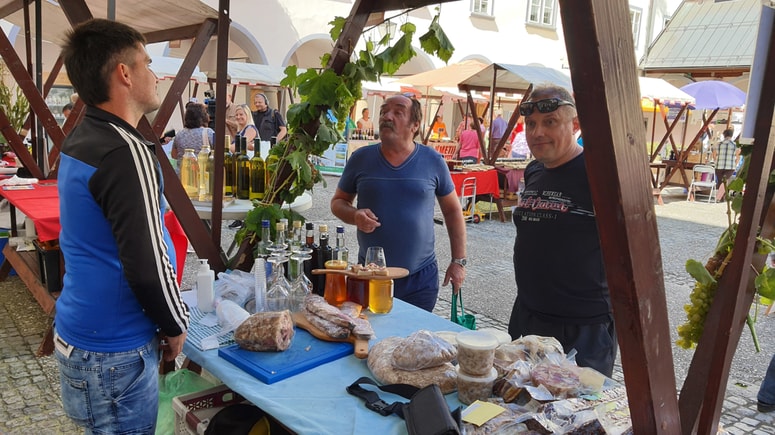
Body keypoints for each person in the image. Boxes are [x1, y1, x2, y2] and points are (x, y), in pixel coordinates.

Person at [55, 18, 188, 433]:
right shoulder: (126, 151)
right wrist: (174, 324)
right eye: (147, 62)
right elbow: (147, 264)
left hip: (83, 332)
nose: (155, 73)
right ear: (124, 74)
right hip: (114, 350)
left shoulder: (82, 137)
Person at [508, 85, 616, 377]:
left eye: (550, 122)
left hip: (581, 328)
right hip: (528, 319)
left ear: (575, 125)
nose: (537, 132)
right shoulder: (534, 171)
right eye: (531, 124)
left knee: (575, 417)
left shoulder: (598, 174)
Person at [331, 93, 467, 311]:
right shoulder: (360, 158)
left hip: (420, 280)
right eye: (384, 111)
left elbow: (452, 212)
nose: (387, 116)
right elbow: (338, 202)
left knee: (416, 342)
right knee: (373, 339)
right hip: (370, 276)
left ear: (415, 125)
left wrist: (458, 262)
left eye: (397, 112)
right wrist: (354, 216)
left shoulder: (433, 160)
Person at [171, 103, 215, 171]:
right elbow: (220, 153)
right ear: (203, 117)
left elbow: (174, 155)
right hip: (201, 175)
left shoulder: (179, 134)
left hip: (181, 175)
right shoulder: (208, 132)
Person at [712, 128, 739, 197]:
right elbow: (738, 156)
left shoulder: (718, 144)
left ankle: (721, 197)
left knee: (721, 182)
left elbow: (714, 154)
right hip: (730, 167)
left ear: (724, 135)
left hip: (719, 166)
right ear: (732, 135)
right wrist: (735, 164)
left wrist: (716, 161)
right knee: (725, 181)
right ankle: (720, 197)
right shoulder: (735, 145)